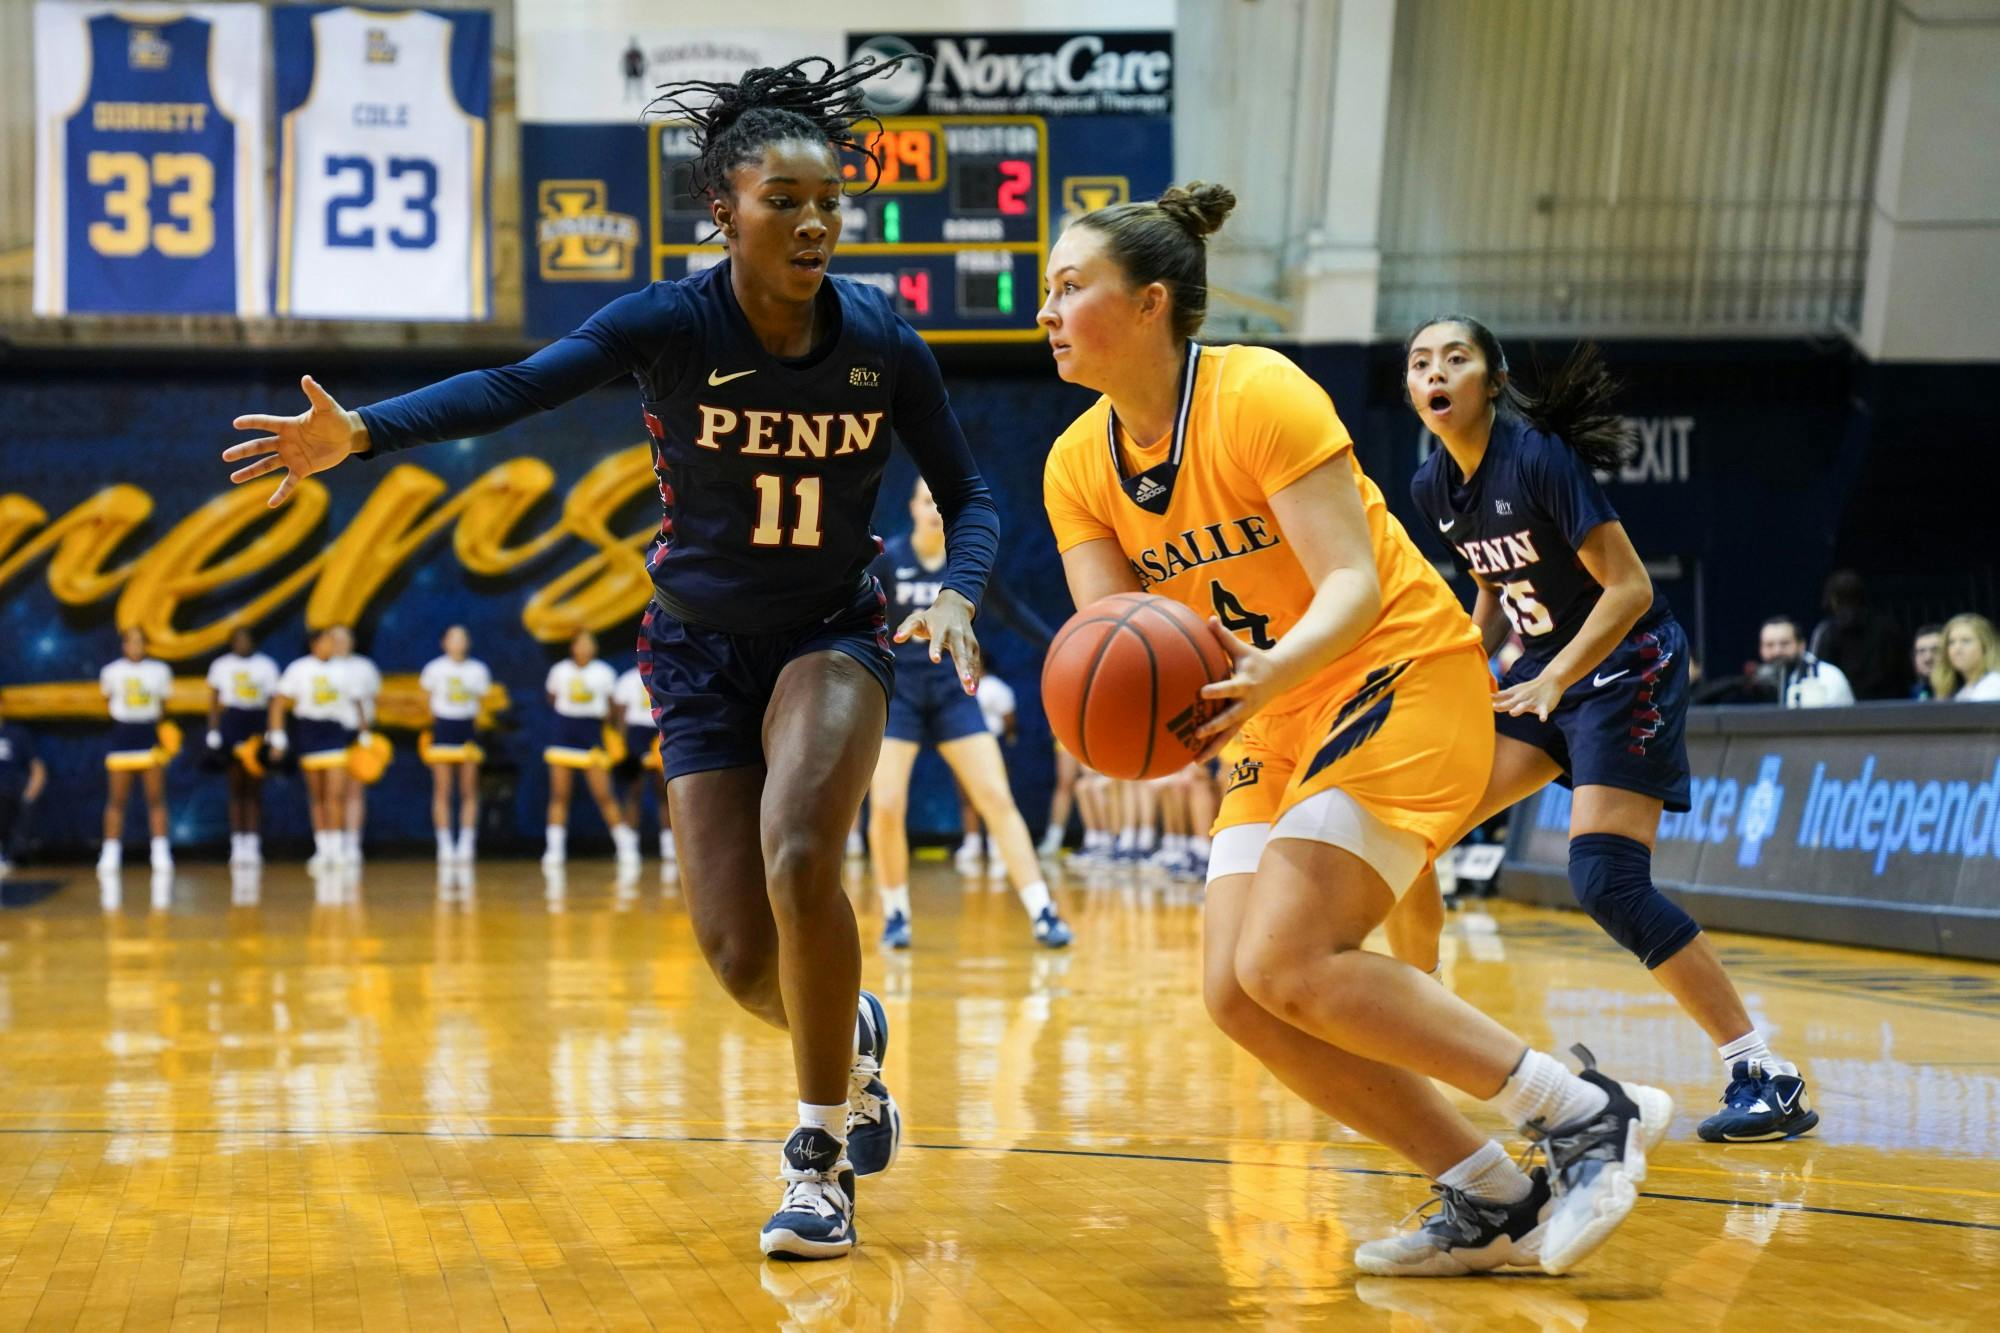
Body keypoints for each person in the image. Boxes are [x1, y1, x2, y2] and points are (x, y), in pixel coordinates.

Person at [223, 54, 999, 1261]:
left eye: (826, 201)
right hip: (692, 650)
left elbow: (972, 486)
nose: (811, 221)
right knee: (743, 959)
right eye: (781, 200)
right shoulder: (668, 322)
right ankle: (851, 1041)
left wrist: (954, 585)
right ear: (724, 211)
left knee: (803, 853)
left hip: (829, 633)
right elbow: (513, 385)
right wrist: (364, 431)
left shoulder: (883, 339)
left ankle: (817, 1160)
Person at [1039, 183, 1667, 1279]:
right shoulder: (1073, 468)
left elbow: (1349, 583)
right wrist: (1144, 715)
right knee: (1238, 990)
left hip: (1395, 669)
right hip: (1269, 716)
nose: (1042, 309)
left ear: (1148, 304)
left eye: (1066, 286)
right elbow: (1115, 635)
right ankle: (1488, 1194)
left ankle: (1581, 1113)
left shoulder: (1257, 393)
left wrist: (1276, 662)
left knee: (1290, 952)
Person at [1386, 316, 1818, 1146]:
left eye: (1455, 357)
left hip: (1628, 664)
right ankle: (1419, 1006)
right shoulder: (1433, 487)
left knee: (1607, 881)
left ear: (1492, 379)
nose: (1435, 371)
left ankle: (1763, 1069)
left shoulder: (1539, 457)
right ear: (1411, 390)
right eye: (1419, 362)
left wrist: (1551, 675)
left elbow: (1625, 589)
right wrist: (1467, 660)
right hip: (1548, 670)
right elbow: (1492, 579)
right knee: (1416, 824)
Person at [867, 478, 1071, 950]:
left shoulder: (966, 568)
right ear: (912, 509)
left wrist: (1059, 645)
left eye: (942, 502)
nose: (935, 510)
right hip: (901, 695)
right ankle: (896, 914)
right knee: (887, 804)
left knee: (997, 798)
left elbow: (1013, 610)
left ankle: (1042, 910)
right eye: (926, 501)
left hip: (954, 691)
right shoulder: (890, 561)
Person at [541, 629, 638, 869]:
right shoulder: (559, 671)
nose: (585, 648)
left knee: (604, 795)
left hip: (591, 736)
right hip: (564, 736)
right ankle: (554, 850)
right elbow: (552, 699)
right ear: (573, 647)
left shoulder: (604, 672)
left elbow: (611, 707)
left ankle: (625, 847)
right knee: (559, 795)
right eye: (581, 643)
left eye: (590, 643)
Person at [270, 627, 359, 874]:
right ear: (314, 645)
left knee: (335, 794)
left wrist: (361, 734)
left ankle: (338, 849)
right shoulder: (299, 669)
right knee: (317, 795)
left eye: (333, 641)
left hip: (335, 733)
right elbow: (278, 702)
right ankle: (323, 850)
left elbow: (356, 702)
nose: (332, 645)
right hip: (309, 733)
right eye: (327, 641)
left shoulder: (344, 670)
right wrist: (277, 737)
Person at [97, 627, 177, 875]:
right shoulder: (111, 672)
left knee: (155, 797)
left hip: (148, 736)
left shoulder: (160, 671)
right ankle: (110, 853)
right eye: (131, 642)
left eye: (140, 641)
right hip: (122, 736)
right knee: (117, 800)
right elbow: (106, 701)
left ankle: (161, 852)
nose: (136, 646)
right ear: (124, 645)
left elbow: (163, 704)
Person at [205, 626, 280, 866]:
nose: (243, 644)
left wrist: (273, 733)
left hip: (255, 723)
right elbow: (214, 700)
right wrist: (214, 731)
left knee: (254, 787)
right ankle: (238, 844)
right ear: (231, 643)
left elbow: (272, 702)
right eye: (237, 640)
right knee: (236, 787)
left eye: (247, 639)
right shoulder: (221, 666)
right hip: (232, 723)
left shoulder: (266, 666)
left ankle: (253, 843)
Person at [419, 625, 491, 863]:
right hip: (443, 729)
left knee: (469, 790)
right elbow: (426, 703)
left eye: (462, 638)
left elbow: (483, 704)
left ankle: (467, 843)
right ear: (444, 643)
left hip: (467, 730)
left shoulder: (478, 670)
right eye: (453, 638)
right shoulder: (434, 669)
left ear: (467, 642)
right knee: (442, 790)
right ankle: (445, 844)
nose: (457, 643)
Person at [612, 657, 675, 868]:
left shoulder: (664, 676)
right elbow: (620, 716)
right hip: (635, 736)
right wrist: (621, 745)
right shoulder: (627, 680)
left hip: (658, 733)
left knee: (663, 791)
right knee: (634, 791)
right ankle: (628, 847)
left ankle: (669, 846)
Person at [1808, 570, 1906, 700]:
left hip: (1842, 711)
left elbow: (1817, 674)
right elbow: (1903, 671)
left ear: (1833, 599)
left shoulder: (1826, 631)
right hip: (1887, 706)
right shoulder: (1888, 627)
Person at [328, 625, 382, 863]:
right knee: (332, 792)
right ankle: (332, 844)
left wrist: (365, 731)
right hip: (330, 734)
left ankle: (352, 842)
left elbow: (373, 698)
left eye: (345, 638)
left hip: (358, 733)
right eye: (335, 638)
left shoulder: (365, 667)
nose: (341, 643)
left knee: (355, 791)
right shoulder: (322, 668)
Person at [1760, 615, 1854, 707]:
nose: (1777, 651)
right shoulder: (1759, 681)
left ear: (1801, 645)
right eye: (1769, 645)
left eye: (1785, 644)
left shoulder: (1828, 677)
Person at [0, 704, 48, 876]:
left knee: (8, 799)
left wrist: (29, 796)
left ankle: (7, 855)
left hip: (9, 792)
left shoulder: (16, 733)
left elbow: (37, 767)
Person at [1934, 613, 2000, 701]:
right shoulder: (1962, 692)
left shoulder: (1994, 684)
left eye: (1966, 641)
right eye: (1951, 642)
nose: (1957, 649)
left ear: (1985, 646)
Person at [1911, 623, 1943, 699]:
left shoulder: (1964, 692)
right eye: (1921, 651)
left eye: (1936, 650)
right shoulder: (1914, 693)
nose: (1928, 658)